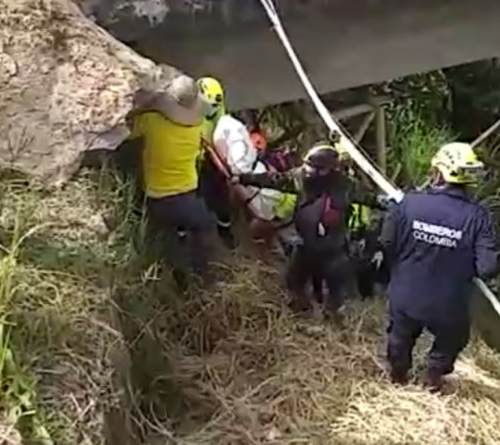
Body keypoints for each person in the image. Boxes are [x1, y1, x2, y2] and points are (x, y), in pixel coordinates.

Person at [378, 142, 500, 393]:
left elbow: (387, 243)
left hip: (406, 295)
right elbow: (489, 268)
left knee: (399, 336)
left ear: (439, 173)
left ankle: (398, 376)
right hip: (448, 304)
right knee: (454, 336)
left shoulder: (407, 204)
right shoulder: (480, 218)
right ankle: (433, 375)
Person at [235, 143, 382, 323]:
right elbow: (275, 179)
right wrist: (244, 178)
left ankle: (332, 322)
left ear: (327, 170)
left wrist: (396, 203)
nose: (308, 171)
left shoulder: (346, 185)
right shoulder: (299, 177)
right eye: (307, 166)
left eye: (313, 168)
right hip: (305, 245)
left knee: (336, 292)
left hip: (333, 249)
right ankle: (303, 315)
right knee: (293, 282)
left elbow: (372, 199)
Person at [127, 75, 216, 289]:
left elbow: (128, 128)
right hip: (187, 195)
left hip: (157, 198)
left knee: (168, 239)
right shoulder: (199, 127)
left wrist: (146, 106)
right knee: (204, 227)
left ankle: (179, 279)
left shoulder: (151, 122)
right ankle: (202, 275)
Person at [196, 77, 237, 249]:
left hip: (214, 160)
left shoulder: (218, 111)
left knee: (222, 200)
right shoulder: (194, 113)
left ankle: (224, 228)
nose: (211, 108)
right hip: (198, 160)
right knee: (196, 194)